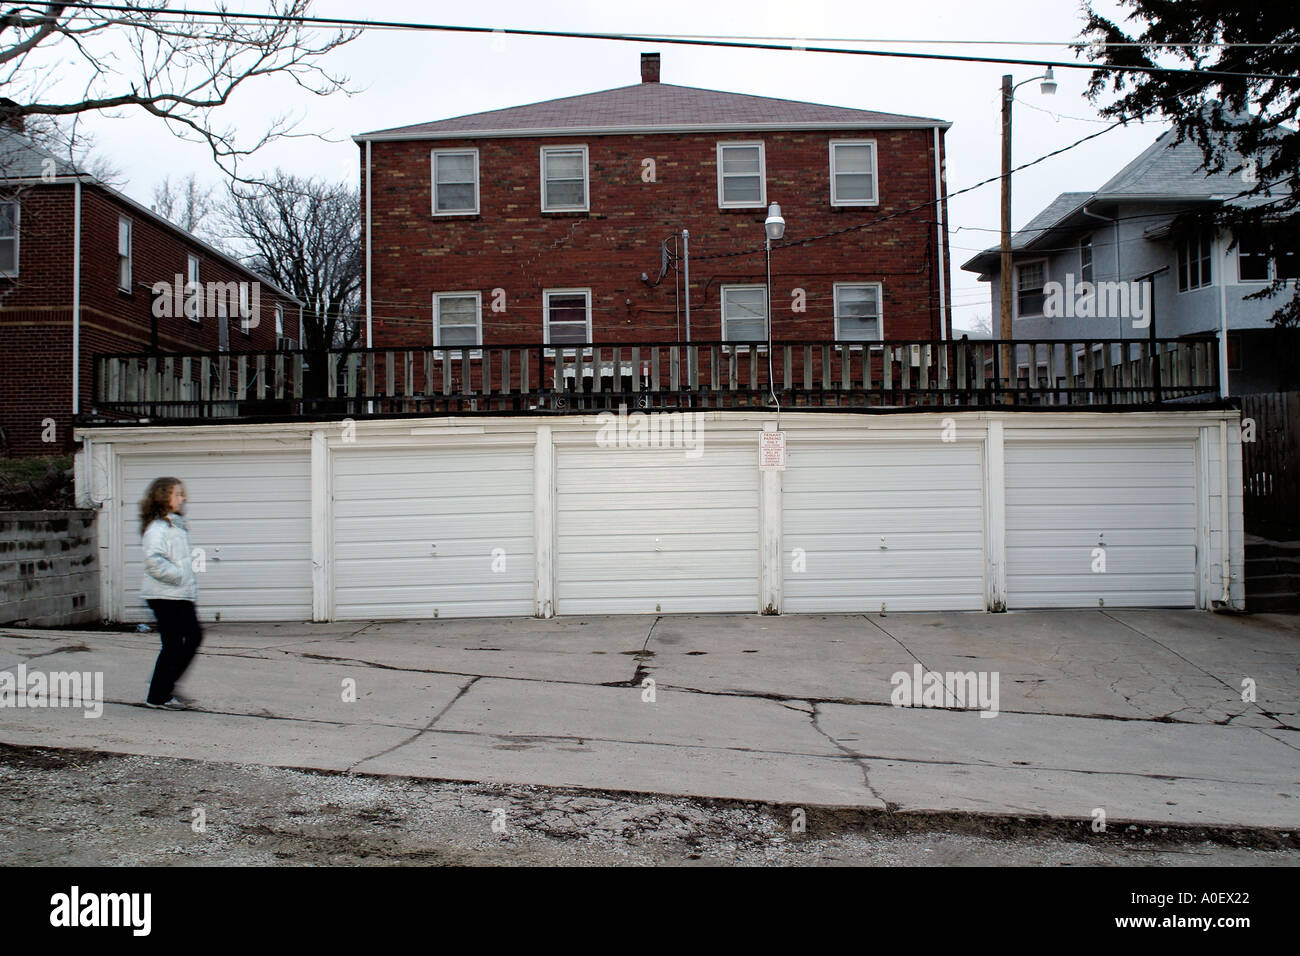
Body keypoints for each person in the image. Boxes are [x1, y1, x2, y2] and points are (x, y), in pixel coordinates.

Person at [139, 477, 202, 710]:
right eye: (178, 494)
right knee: (176, 643)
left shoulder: (174, 525)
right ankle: (158, 695)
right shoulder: (158, 528)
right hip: (165, 595)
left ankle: (164, 686)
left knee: (190, 638)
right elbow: (153, 561)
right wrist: (177, 575)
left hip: (178, 594)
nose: (183, 498)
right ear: (164, 497)